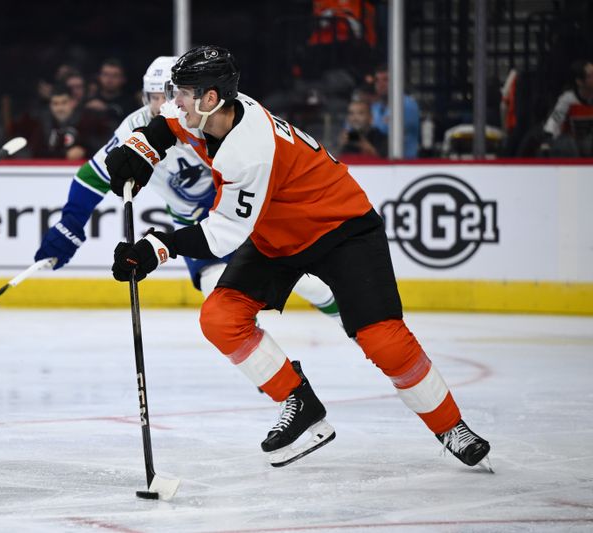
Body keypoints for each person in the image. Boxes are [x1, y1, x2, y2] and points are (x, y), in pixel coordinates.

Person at [103, 45, 491, 470]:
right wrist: (139, 152)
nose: (175, 100)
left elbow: (220, 236)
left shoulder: (246, 149)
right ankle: (299, 403)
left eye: (182, 91)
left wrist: (155, 247)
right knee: (220, 318)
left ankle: (451, 426)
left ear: (210, 98)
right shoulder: (212, 110)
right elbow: (167, 126)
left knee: (383, 340)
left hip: (342, 229)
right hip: (277, 235)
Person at [34, 55, 342, 325]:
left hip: (239, 209)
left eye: (166, 95)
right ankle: (266, 364)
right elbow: (94, 176)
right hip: (193, 221)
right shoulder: (133, 128)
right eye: (151, 96)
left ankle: (352, 325)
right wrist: (69, 225)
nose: (158, 105)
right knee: (217, 293)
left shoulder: (205, 123)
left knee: (309, 284)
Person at [540, 60, 593, 157]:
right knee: (567, 143)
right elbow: (554, 121)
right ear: (579, 81)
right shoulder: (568, 100)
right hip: (570, 147)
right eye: (590, 76)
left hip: (588, 145)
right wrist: (547, 139)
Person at [370, 63, 420, 159]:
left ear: (397, 81)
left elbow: (385, 134)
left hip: (405, 163)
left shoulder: (406, 104)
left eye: (386, 80)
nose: (380, 84)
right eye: (377, 80)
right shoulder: (375, 106)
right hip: (380, 162)